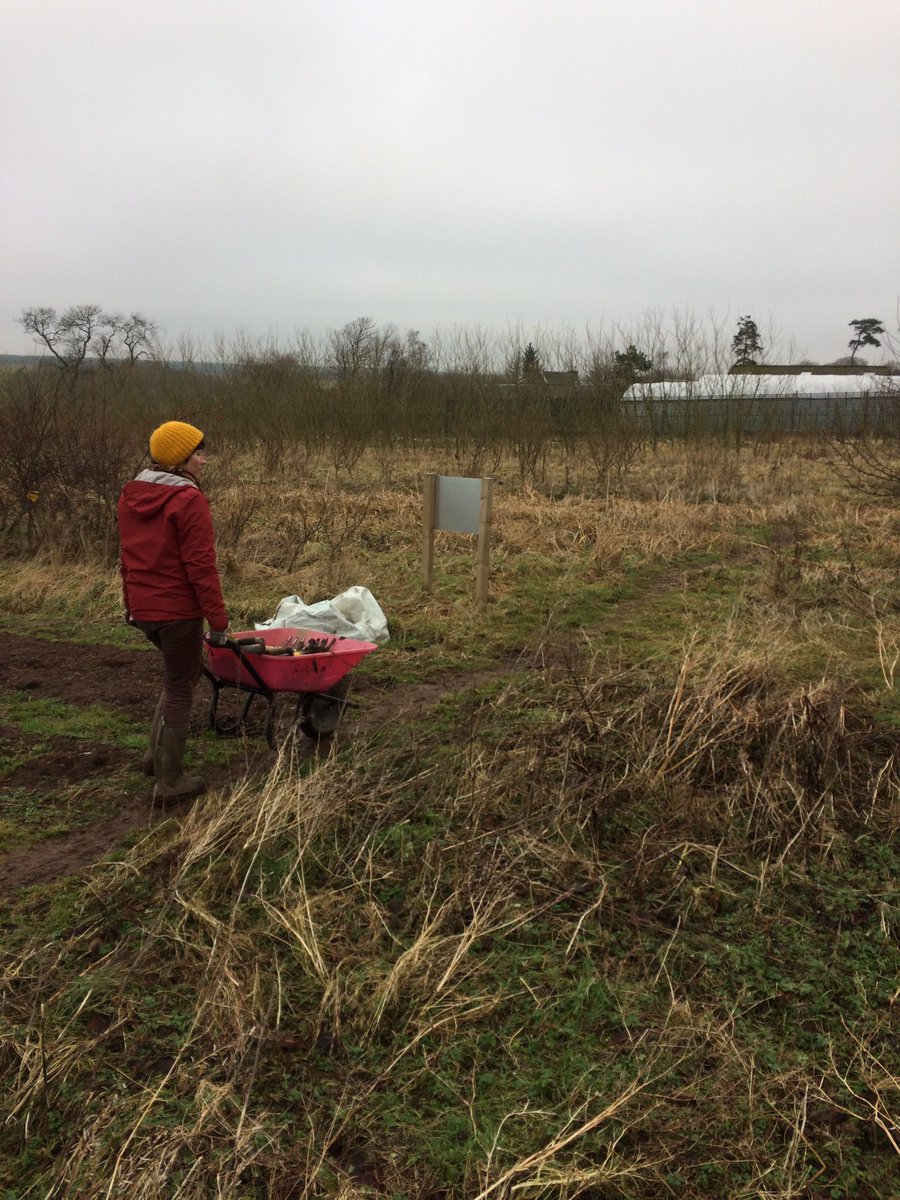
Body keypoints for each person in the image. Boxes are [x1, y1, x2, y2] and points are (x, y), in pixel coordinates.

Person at [118, 420, 229, 801]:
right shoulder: (188, 500)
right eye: (198, 453)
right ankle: (169, 782)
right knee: (181, 685)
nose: (203, 460)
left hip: (145, 610)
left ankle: (153, 759)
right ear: (180, 459)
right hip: (178, 612)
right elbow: (201, 567)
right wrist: (219, 622)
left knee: (179, 675)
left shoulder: (132, 493)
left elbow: (127, 557)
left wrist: (131, 604)